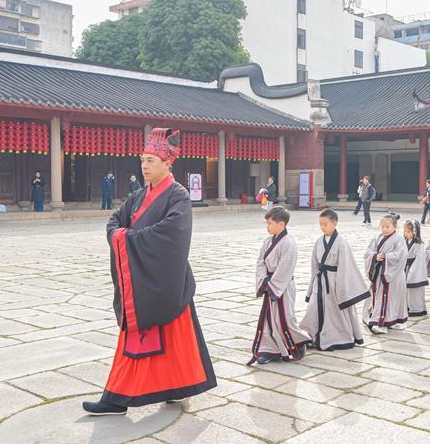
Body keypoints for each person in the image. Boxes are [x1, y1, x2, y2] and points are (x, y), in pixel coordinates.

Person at [83, 128, 216, 416]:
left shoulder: (178, 196)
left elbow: (172, 233)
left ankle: (153, 392)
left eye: (151, 160)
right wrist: (121, 236)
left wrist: (128, 237)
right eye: (143, 160)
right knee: (145, 340)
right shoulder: (138, 195)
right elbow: (114, 222)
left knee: (173, 341)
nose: (144, 166)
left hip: (166, 279)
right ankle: (121, 396)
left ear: (168, 164)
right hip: (142, 281)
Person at [248, 206, 311, 365]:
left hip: (283, 286)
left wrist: (273, 284)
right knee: (269, 319)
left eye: (270, 223)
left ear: (281, 224)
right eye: (266, 223)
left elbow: (286, 267)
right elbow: (260, 263)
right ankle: (269, 350)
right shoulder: (267, 241)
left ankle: (298, 343)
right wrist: (264, 281)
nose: (267, 227)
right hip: (270, 283)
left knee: (285, 318)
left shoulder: (288, 243)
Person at [301, 209, 370, 351]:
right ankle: (310, 335)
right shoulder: (318, 242)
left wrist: (342, 288)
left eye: (325, 224)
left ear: (335, 223)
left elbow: (345, 267)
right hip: (320, 281)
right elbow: (314, 264)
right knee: (313, 308)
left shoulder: (341, 243)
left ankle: (336, 337)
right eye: (320, 224)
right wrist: (313, 281)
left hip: (334, 282)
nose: (322, 227)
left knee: (334, 311)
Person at [363, 214, 408, 334]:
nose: (384, 229)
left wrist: (386, 257)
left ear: (395, 227)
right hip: (380, 273)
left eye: (388, 226)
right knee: (381, 298)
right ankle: (384, 320)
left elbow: (401, 255)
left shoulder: (399, 239)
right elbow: (368, 252)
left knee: (390, 298)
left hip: (393, 274)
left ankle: (382, 323)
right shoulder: (377, 238)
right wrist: (374, 256)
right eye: (383, 226)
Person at [403, 220, 428, 317]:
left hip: (415, 269)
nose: (406, 234)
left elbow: (419, 260)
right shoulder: (404, 242)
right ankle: (408, 306)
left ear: (415, 232)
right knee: (407, 291)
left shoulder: (419, 244)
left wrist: (412, 272)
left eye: (408, 232)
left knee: (415, 290)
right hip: (406, 267)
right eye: (405, 232)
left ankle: (417, 309)